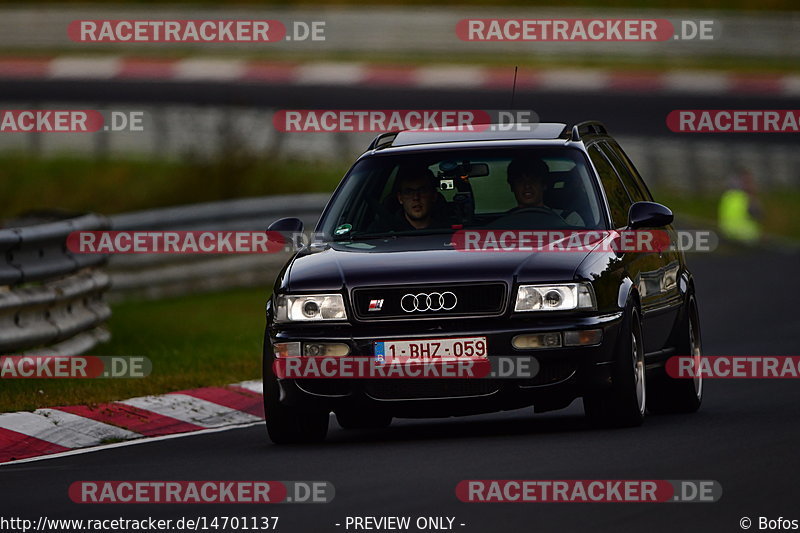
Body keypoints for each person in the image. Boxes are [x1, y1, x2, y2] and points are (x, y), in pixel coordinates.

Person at [369, 166, 450, 232]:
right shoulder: (381, 233)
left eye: (422, 191)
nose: (416, 197)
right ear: (400, 198)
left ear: (433, 196)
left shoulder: (449, 231)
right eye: (409, 192)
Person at [718, 168, 762, 244]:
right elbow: (759, 215)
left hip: (729, 237)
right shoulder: (747, 198)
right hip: (746, 239)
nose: (752, 184)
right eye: (749, 181)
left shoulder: (727, 196)